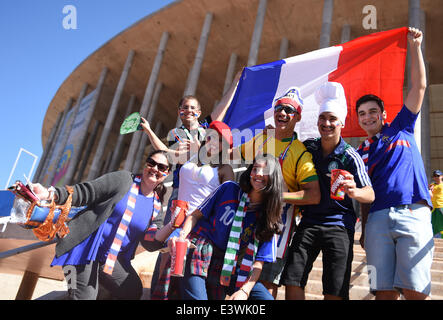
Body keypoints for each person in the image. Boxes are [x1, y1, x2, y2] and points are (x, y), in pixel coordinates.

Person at [29, 150, 178, 300]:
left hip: (111, 258)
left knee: (132, 290)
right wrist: (50, 194)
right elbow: (87, 191)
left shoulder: (156, 206)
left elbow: (150, 242)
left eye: (161, 167)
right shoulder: (124, 179)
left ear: (167, 173)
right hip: (83, 247)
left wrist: (172, 225)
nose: (155, 168)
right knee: (84, 297)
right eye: (151, 163)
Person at [356, 27, 434, 300]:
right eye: (362, 114)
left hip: (413, 214)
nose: (368, 117)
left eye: (373, 112)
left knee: (415, 291)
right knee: (382, 293)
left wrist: (415, 47)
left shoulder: (401, 127)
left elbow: (419, 86)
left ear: (383, 114)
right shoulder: (359, 152)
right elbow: (365, 195)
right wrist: (365, 231)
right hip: (376, 221)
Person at [281, 82, 374, 300]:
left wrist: (354, 191)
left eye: (332, 119)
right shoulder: (309, 147)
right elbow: (287, 146)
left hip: (339, 226)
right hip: (309, 223)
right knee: (292, 280)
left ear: (341, 122)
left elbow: (370, 194)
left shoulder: (350, 155)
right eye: (323, 118)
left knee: (335, 289)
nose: (326, 123)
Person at [229, 87, 321, 297]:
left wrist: (274, 194)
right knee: (236, 273)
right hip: (247, 219)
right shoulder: (262, 139)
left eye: (289, 110)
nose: (282, 113)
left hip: (276, 225)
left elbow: (313, 195)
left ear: (297, 117)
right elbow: (229, 155)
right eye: (279, 108)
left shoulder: (300, 153)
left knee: (267, 282)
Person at [141, 119, 235, 299]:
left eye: (221, 141)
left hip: (200, 229)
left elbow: (227, 204)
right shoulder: (192, 156)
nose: (215, 142)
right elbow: (165, 153)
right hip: (175, 223)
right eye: (212, 137)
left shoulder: (225, 169)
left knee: (189, 282)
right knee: (165, 282)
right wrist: (148, 131)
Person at [170, 154, 283, 300]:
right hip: (201, 251)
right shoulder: (229, 189)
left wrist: (245, 291)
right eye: (255, 169)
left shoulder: (269, 217)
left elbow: (258, 262)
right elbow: (195, 215)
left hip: (231, 265)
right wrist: (181, 236)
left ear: (274, 177)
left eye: (265, 170)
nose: (258, 174)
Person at [429, 170, 443, 238]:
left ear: (441, 176)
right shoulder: (432, 185)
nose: (436, 177)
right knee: (434, 224)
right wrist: (430, 189)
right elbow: (430, 195)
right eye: (434, 176)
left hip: (441, 206)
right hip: (433, 208)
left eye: (438, 176)